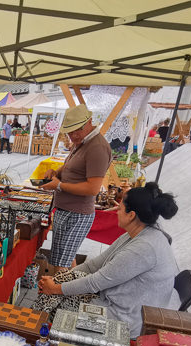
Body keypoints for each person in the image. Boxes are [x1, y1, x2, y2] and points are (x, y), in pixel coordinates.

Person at [35, 182, 179, 334]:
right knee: (53, 292)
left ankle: (39, 334)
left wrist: (55, 288)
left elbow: (95, 282)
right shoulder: (136, 234)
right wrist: (59, 279)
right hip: (114, 302)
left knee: (55, 302)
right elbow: (94, 265)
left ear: (131, 215)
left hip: (124, 319)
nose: (116, 210)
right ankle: (37, 330)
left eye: (121, 208)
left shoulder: (144, 248)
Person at [39, 104, 112, 271]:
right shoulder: (82, 141)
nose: (72, 136)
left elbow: (92, 188)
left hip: (77, 214)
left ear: (89, 122)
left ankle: (56, 295)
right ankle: (71, 292)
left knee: (60, 264)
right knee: (65, 256)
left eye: (76, 130)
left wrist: (59, 185)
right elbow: (70, 166)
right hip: (67, 210)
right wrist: (55, 172)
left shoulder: (97, 147)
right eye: (69, 132)